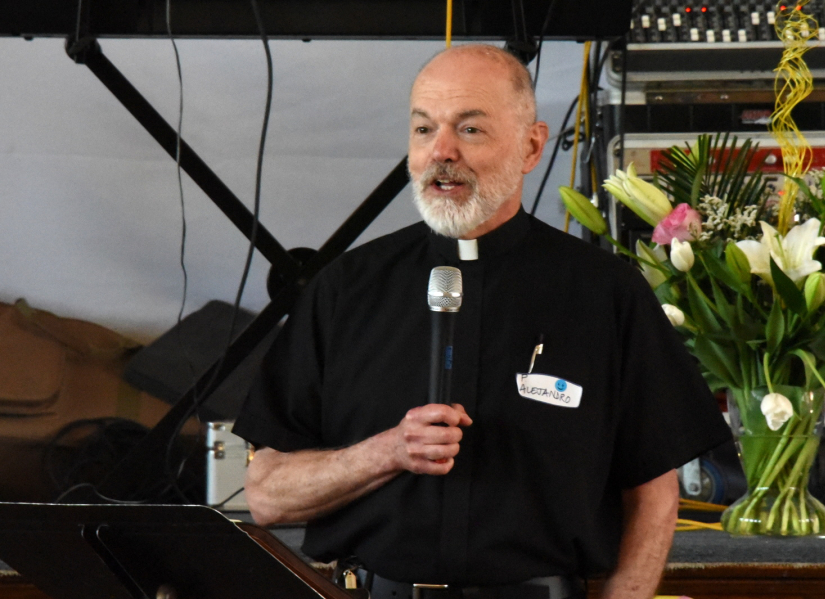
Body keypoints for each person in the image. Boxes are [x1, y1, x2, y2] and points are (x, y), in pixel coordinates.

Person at [233, 44, 731, 599]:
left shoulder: (603, 292)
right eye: (424, 130)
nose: (441, 152)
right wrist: (389, 451)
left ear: (532, 146)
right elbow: (269, 495)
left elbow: (653, 490)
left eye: (469, 130)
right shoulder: (345, 290)